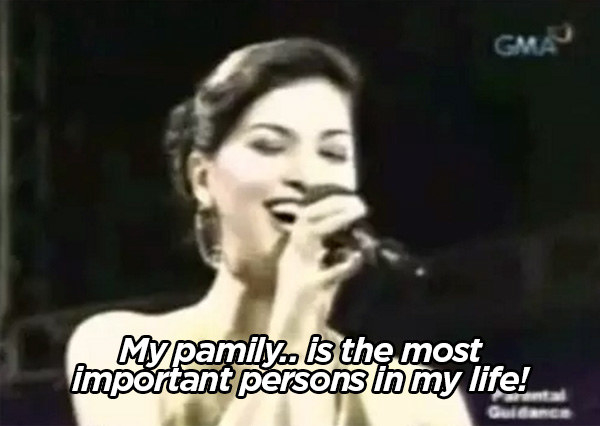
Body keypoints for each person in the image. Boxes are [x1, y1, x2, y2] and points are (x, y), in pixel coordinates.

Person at [65, 37, 473, 426]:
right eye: (269, 146)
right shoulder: (119, 349)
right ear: (202, 178)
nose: (307, 175)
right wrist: (294, 323)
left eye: (333, 153)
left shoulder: (416, 398)